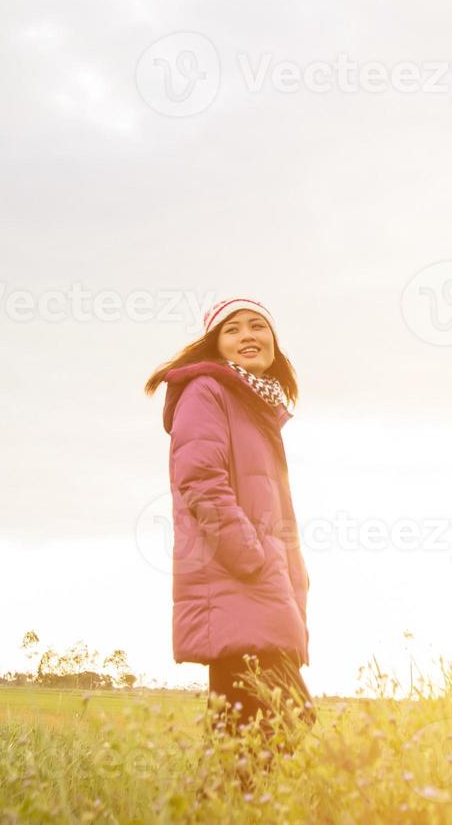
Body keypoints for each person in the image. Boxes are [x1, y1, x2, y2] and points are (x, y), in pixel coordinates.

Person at [144, 297, 315, 747]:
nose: (247, 336)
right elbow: (199, 481)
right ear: (215, 346)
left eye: (258, 326)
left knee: (246, 734)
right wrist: (250, 557)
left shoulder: (257, 409)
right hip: (239, 583)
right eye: (232, 329)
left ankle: (222, 812)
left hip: (259, 586)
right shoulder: (208, 390)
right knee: (285, 720)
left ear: (274, 341)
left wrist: (289, 575)